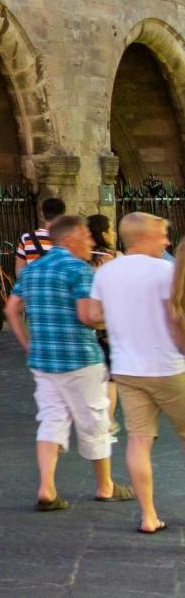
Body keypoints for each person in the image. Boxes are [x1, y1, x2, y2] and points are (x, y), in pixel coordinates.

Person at [5, 213, 126, 509]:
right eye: (86, 236)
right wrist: (110, 317)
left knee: (51, 419)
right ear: (71, 239)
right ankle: (105, 486)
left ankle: (47, 488)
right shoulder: (78, 270)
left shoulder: (33, 270)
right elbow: (88, 317)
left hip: (43, 360)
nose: (91, 241)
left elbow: (11, 310)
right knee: (95, 419)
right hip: (80, 357)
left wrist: (27, 344)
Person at [89, 211, 185, 534]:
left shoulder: (106, 272)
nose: (167, 241)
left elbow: (93, 315)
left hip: (127, 369)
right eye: (162, 235)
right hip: (169, 367)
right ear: (144, 237)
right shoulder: (164, 271)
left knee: (139, 442)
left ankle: (148, 516)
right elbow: (175, 318)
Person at [16, 197, 67, 273]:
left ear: (42, 214)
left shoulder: (27, 238)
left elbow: (19, 272)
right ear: (63, 216)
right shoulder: (69, 239)